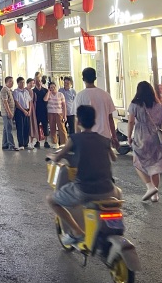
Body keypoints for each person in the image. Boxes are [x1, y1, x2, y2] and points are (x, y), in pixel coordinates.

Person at [47, 104, 119, 245]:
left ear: (78, 121)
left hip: (85, 191)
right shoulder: (104, 139)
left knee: (51, 200)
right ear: (94, 121)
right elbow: (114, 158)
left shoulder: (74, 139)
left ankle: (77, 232)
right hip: (109, 190)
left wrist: (51, 156)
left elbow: (58, 157)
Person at [127, 81, 162, 202]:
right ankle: (155, 195)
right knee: (155, 165)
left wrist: (129, 136)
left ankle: (150, 187)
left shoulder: (134, 105)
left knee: (137, 161)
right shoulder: (158, 105)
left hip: (141, 136)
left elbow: (130, 121)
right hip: (156, 137)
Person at [73, 67, 119, 148]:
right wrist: (114, 137)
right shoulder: (105, 95)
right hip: (104, 137)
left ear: (83, 79)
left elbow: (77, 119)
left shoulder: (79, 96)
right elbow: (110, 118)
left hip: (87, 138)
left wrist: (78, 139)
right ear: (95, 78)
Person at [45, 82, 67, 149]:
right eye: (51, 87)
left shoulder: (60, 94)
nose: (53, 88)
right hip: (51, 113)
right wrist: (48, 92)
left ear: (56, 87)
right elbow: (45, 99)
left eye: (54, 87)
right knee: (52, 128)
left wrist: (64, 115)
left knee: (62, 128)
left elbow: (64, 105)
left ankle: (64, 143)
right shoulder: (49, 94)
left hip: (59, 113)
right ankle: (55, 143)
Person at [13, 77, 32, 150]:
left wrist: (29, 110)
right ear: (18, 83)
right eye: (21, 82)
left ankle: (26, 143)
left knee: (26, 127)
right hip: (20, 111)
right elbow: (17, 102)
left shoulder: (26, 91)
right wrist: (23, 111)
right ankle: (21, 144)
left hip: (27, 110)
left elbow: (30, 101)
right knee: (20, 127)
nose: (22, 84)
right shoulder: (16, 92)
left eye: (23, 82)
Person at [0, 76, 18, 150]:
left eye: (12, 81)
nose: (12, 82)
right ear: (6, 82)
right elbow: (5, 102)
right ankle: (11, 145)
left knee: (6, 129)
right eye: (10, 81)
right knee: (9, 129)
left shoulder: (9, 90)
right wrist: (9, 112)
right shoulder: (4, 90)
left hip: (9, 112)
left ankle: (5, 144)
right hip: (6, 113)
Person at [33, 72, 50, 149]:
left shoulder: (45, 90)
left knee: (45, 125)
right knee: (36, 126)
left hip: (44, 110)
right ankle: (37, 141)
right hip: (36, 111)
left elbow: (47, 100)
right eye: (37, 81)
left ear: (41, 81)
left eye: (39, 81)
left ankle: (46, 141)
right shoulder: (33, 91)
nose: (38, 82)